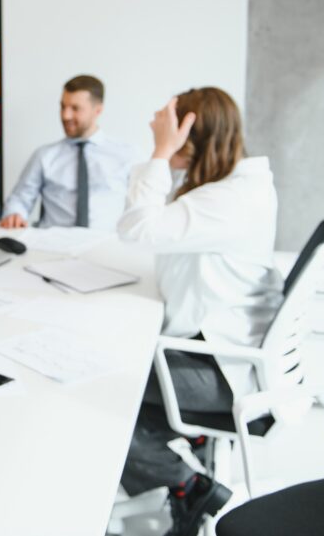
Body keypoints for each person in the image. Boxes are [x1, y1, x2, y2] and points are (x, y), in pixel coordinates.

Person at [116, 87, 283, 536]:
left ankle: (190, 485)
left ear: (194, 138)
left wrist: (159, 152)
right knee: (117, 376)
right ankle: (181, 466)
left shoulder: (228, 201)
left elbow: (137, 228)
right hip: (213, 347)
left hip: (223, 372)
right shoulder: (229, 189)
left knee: (106, 399)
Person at [0, 75, 137, 231]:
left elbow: (142, 206)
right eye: (63, 107)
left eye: (75, 108)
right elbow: (20, 198)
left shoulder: (127, 155)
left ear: (98, 110)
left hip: (104, 246)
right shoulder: (45, 155)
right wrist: (14, 213)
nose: (66, 115)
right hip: (51, 246)